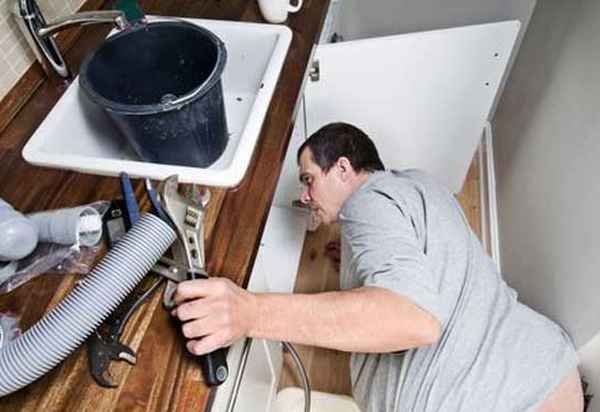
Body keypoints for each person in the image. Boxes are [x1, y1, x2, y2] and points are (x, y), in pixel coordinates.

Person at [172, 122, 584, 411]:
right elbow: (434, 260)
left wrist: (249, 313)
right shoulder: (421, 186)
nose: (305, 195)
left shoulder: (367, 201)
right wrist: (357, 262)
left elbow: (412, 317)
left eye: (308, 178)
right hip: (537, 371)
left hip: (505, 396)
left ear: (343, 168)